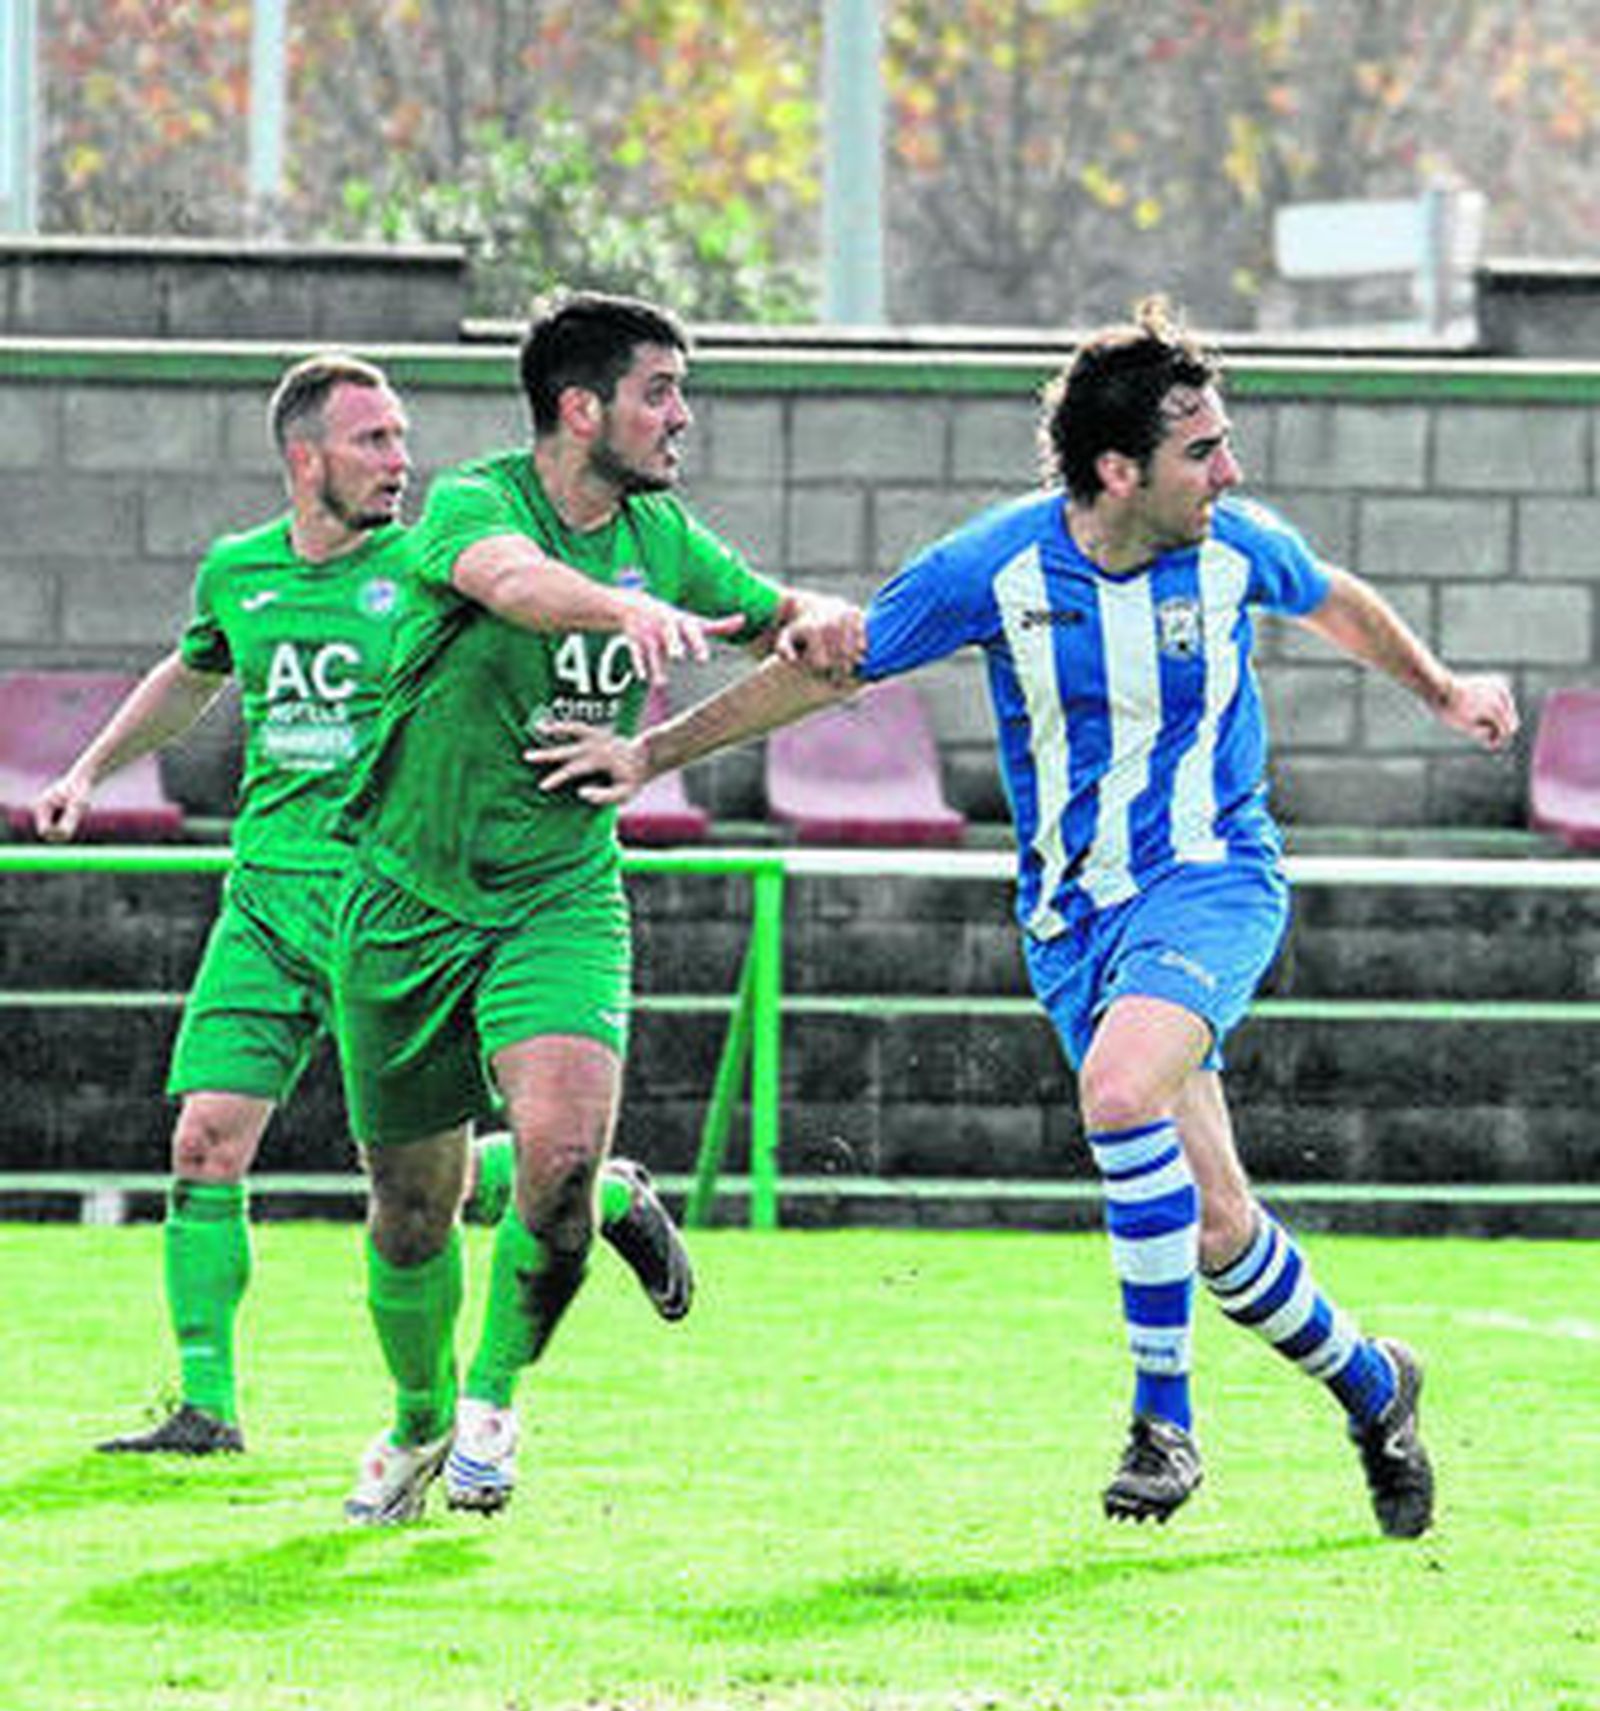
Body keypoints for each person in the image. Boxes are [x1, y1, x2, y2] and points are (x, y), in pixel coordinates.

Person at [531, 296, 1520, 1539]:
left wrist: (1440, 691)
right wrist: (653, 750)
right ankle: (1377, 1388)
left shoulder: (1232, 547)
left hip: (1213, 882)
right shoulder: (991, 565)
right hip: (1072, 922)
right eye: (1202, 450)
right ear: (1118, 470)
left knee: (1115, 1098)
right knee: (1215, 1229)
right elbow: (827, 669)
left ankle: (1163, 1424)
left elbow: (1332, 597)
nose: (1232, 468)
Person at [32, 353, 687, 1458]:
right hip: (264, 902)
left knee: (401, 1177)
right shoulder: (240, 570)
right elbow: (192, 673)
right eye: (374, 440)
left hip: (387, 898)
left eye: (402, 437)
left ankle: (602, 1194)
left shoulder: (434, 570)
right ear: (306, 457)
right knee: (203, 1138)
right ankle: (205, 1406)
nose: (401, 460)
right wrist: (87, 769)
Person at [331, 290, 864, 1526]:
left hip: (559, 896)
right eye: (659, 392)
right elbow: (509, 583)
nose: (682, 415)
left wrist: (815, 616)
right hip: (404, 898)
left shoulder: (664, 533)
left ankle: (490, 1408)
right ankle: (414, 1421)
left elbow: (790, 632)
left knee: (556, 1169)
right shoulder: (474, 501)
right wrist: (617, 607)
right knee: (414, 1208)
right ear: (582, 409)